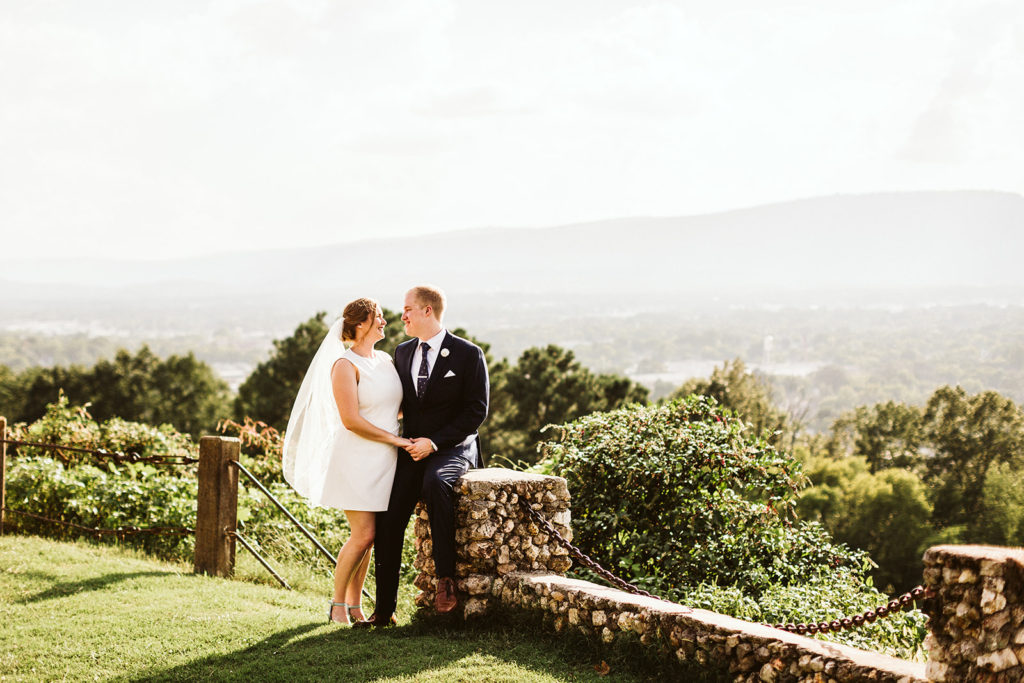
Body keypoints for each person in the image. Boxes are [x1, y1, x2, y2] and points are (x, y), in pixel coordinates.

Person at [358, 285, 489, 628]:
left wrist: (435, 442)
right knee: (388, 513)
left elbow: (476, 411)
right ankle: (384, 610)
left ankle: (446, 580)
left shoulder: (468, 354)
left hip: (453, 447)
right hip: (412, 447)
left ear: (427, 311)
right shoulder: (401, 353)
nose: (401, 317)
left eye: (407, 310)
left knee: (435, 484)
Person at [281, 298, 409, 625]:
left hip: (384, 459)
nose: (384, 321)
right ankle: (337, 604)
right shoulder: (343, 365)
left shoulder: (384, 360)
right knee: (363, 535)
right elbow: (351, 420)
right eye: (378, 317)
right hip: (355, 458)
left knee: (371, 536)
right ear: (361, 324)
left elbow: (388, 407)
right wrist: (396, 439)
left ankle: (356, 606)